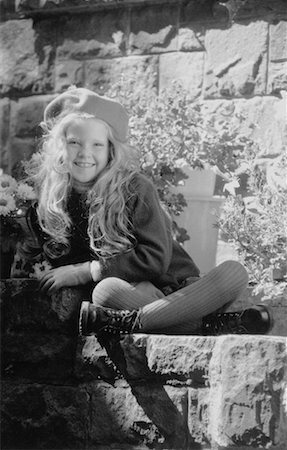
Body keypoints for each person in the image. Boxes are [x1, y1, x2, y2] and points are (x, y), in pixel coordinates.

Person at [15, 87, 272, 340]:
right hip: (129, 294)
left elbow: (156, 258)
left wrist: (83, 270)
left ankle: (127, 323)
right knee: (105, 291)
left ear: (111, 150)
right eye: (74, 143)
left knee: (234, 272)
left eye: (97, 144)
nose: (85, 153)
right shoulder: (54, 201)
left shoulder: (135, 187)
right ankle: (207, 325)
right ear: (60, 147)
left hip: (179, 291)